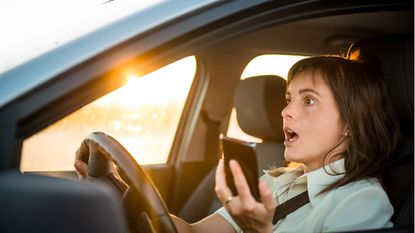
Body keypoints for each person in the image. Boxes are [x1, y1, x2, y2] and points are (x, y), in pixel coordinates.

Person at [75, 52, 400, 233]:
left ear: (350, 124)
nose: (286, 110)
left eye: (309, 101)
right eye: (288, 99)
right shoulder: (278, 180)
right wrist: (113, 189)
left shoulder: (362, 202)